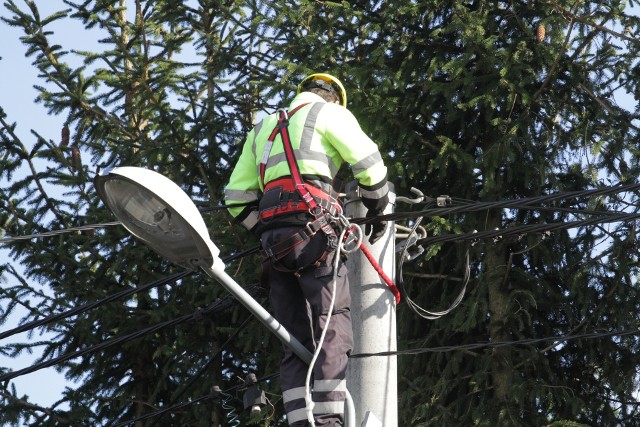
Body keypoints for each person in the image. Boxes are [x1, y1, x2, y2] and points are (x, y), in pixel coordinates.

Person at [224, 73, 389, 427]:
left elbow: (235, 198)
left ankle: (300, 421)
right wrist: (378, 211)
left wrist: (267, 231)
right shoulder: (330, 114)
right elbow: (369, 165)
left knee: (294, 338)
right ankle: (329, 420)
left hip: (274, 244)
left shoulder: (264, 127)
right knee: (332, 325)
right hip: (315, 232)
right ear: (333, 98)